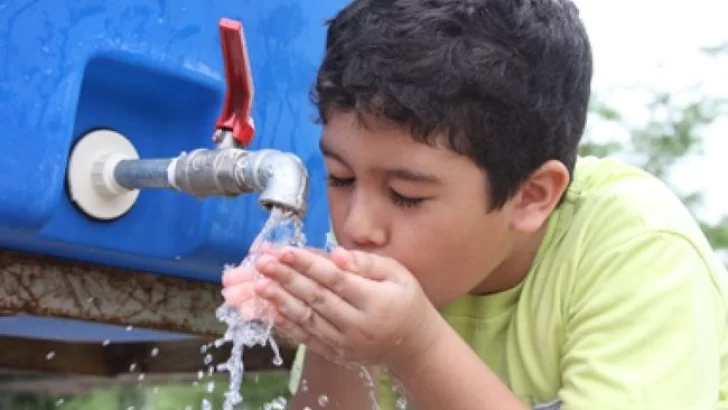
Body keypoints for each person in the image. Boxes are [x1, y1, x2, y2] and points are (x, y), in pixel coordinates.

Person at [221, 0, 728, 408]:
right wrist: (336, 342)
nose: (358, 227)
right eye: (341, 177)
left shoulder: (639, 250)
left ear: (531, 197)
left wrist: (416, 346)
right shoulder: (380, 255)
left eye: (406, 196)